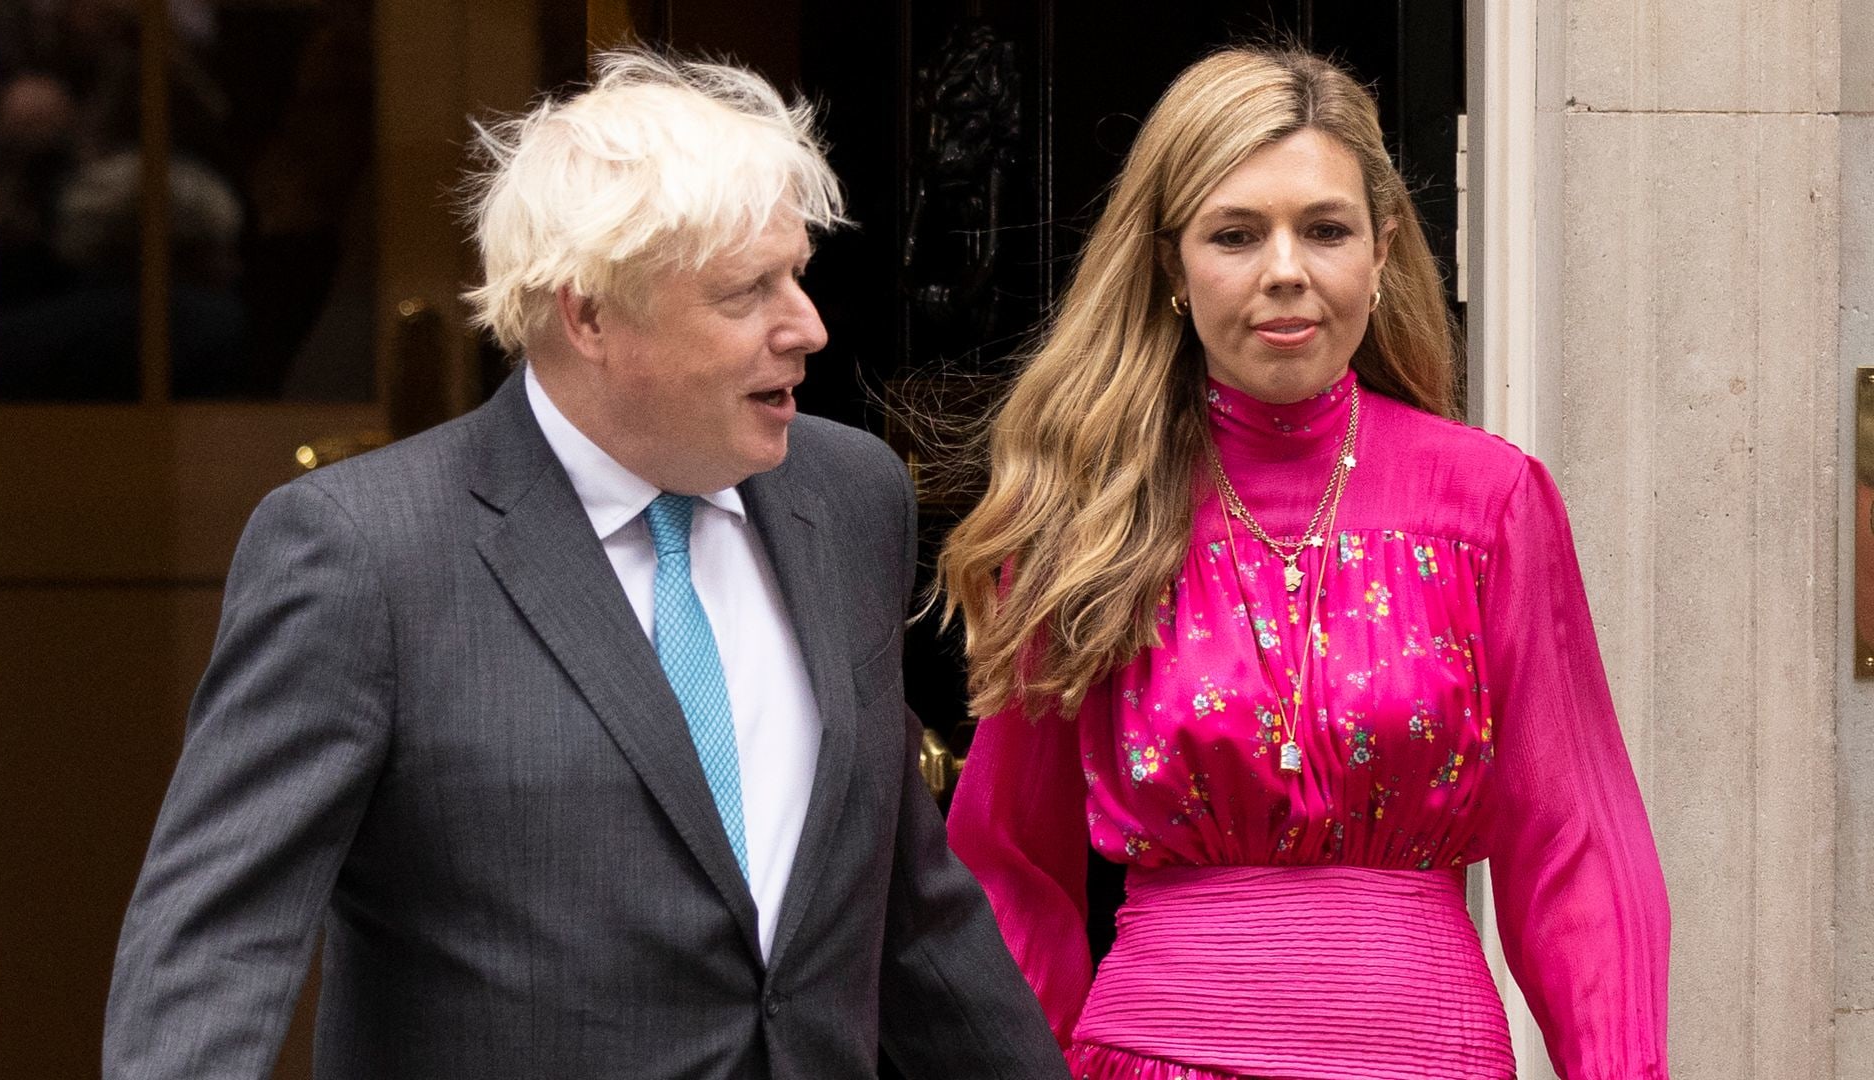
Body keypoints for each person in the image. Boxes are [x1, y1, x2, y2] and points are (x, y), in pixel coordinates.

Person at [104, 50, 1064, 1080]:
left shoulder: (849, 496)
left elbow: (904, 903)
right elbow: (217, 947)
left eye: (798, 273)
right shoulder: (362, 553)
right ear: (590, 315)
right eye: (746, 293)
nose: (809, 328)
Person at [938, 47, 1670, 1080]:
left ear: (1380, 250)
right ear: (1172, 269)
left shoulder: (1489, 504)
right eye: (1235, 234)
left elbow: (1576, 852)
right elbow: (1006, 864)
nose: (1286, 267)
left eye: (1324, 229)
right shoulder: (1084, 514)